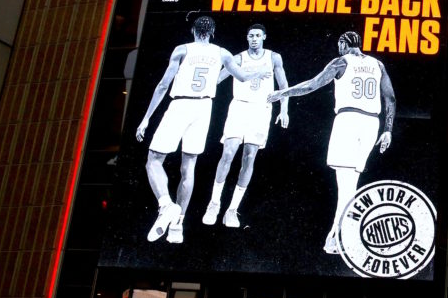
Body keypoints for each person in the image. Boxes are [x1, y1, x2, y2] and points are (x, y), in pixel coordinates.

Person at [135, 15, 267, 244]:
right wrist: (259, 72)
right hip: (204, 109)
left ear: (193, 31)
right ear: (213, 32)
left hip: (181, 105)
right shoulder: (223, 53)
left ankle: (166, 205)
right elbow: (243, 76)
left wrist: (146, 118)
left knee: (154, 159)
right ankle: (178, 226)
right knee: (189, 166)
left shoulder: (182, 50)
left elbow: (163, 85)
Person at [268, 31, 395, 254]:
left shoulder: (341, 62)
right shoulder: (378, 65)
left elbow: (312, 85)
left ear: (345, 44)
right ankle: (340, 234)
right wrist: (388, 131)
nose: (339, 49)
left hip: (348, 120)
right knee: (350, 183)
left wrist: (283, 93)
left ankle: (338, 235)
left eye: (340, 45)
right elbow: (390, 98)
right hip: (372, 124)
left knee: (346, 185)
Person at [202, 24, 289, 228]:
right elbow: (217, 79)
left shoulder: (274, 57)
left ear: (264, 37)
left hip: (261, 110)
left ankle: (232, 210)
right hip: (239, 108)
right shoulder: (238, 58)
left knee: (249, 158)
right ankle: (214, 203)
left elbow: (284, 86)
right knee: (228, 153)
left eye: (258, 35)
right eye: (251, 35)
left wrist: (284, 110)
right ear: (247, 38)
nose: (254, 39)